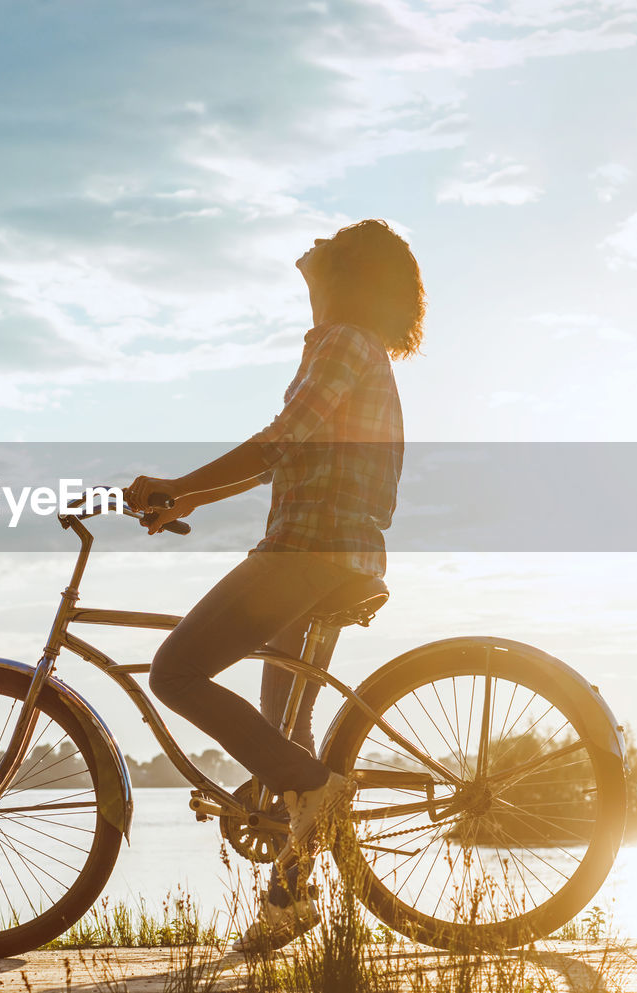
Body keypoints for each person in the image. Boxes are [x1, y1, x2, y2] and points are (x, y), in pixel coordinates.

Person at [125, 218, 424, 951]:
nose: (308, 295)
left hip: (306, 551)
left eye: (316, 279)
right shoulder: (365, 353)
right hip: (343, 554)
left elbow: (281, 439)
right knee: (284, 736)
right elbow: (287, 457)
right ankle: (291, 899)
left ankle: (318, 791)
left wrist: (176, 480)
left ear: (347, 285)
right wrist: (192, 499)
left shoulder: (343, 342)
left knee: (175, 669)